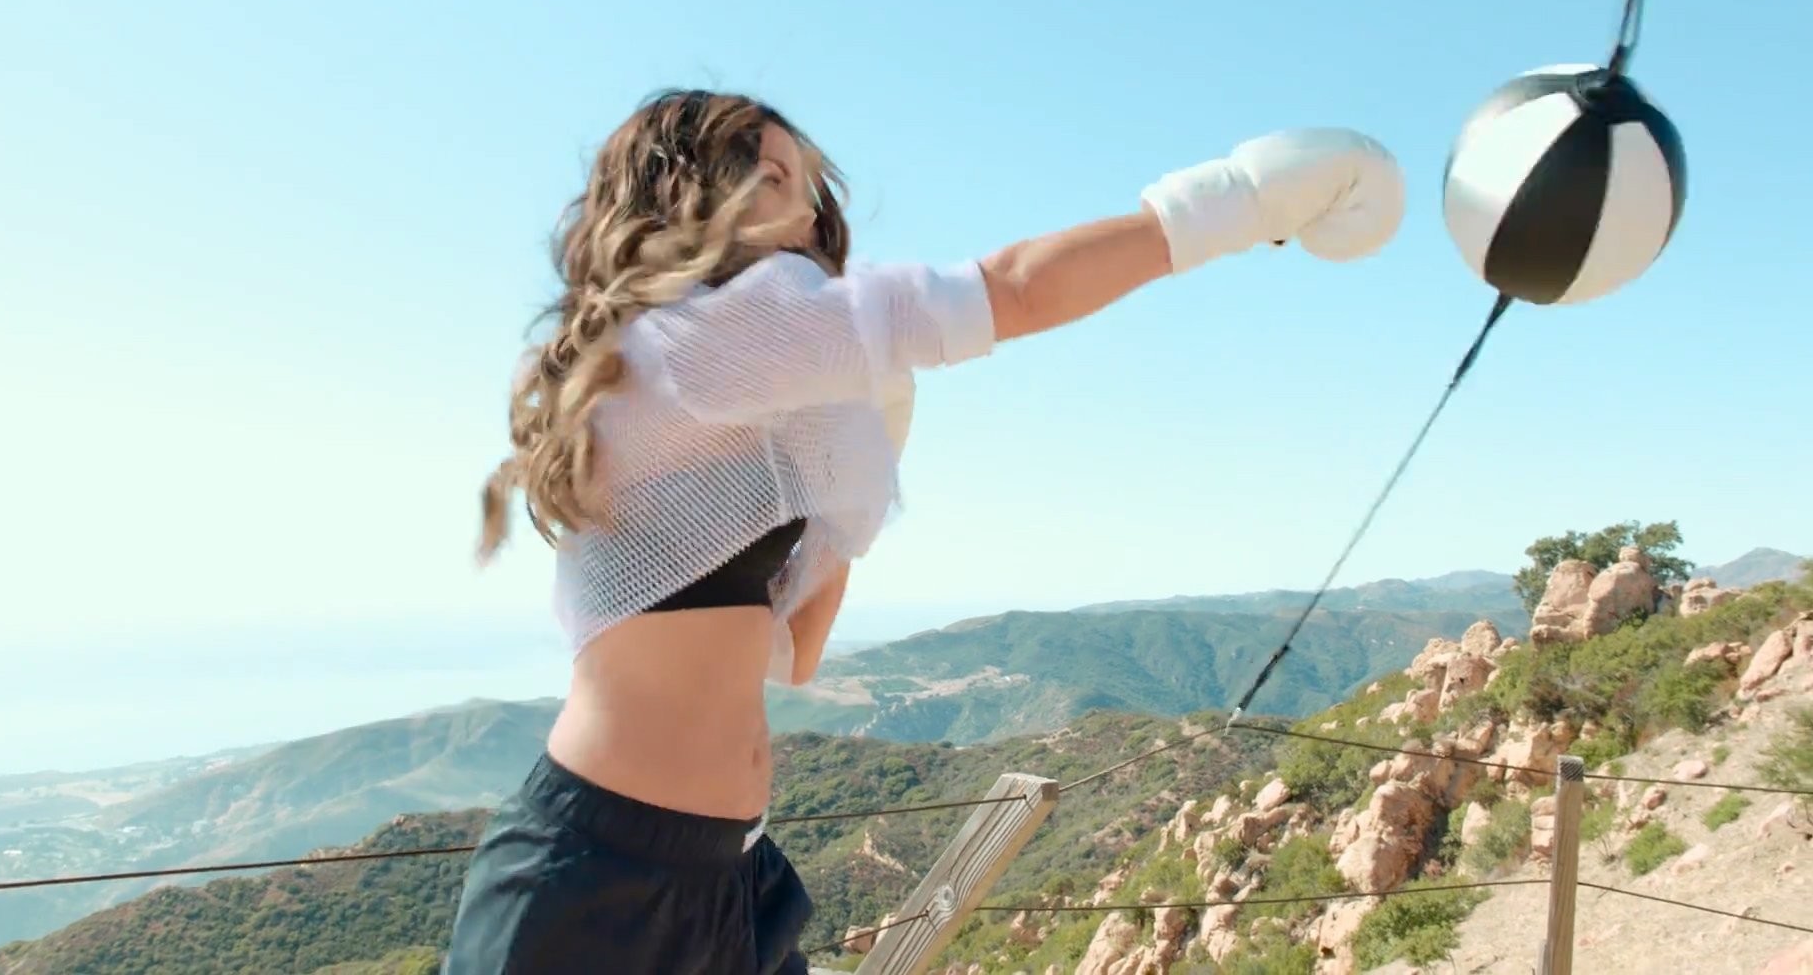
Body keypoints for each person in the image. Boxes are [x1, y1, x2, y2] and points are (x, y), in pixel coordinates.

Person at [442, 88, 1405, 974]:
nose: (806, 209)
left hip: (728, 873)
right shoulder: (694, 340)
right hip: (601, 883)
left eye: (806, 185)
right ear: (682, 192)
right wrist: (1235, 202)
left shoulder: (724, 389)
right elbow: (1015, 288)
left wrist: (856, 479)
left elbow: (796, 653)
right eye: (770, 174)